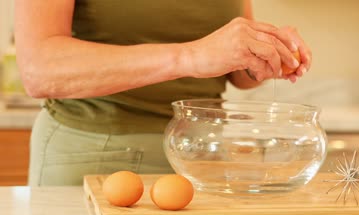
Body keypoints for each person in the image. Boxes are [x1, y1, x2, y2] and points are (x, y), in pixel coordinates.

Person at [15, 0, 311, 186]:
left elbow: (235, 74)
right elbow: (39, 70)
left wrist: (262, 55)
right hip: (97, 157)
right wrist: (190, 56)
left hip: (202, 160)